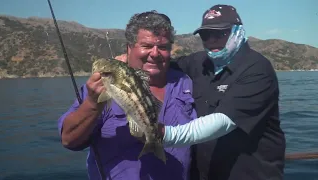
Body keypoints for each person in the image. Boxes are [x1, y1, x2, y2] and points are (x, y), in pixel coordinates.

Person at [116, 4, 286, 180]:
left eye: (220, 33)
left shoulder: (256, 69)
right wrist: (127, 62)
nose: (212, 40)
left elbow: (223, 122)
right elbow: (159, 63)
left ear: (238, 31)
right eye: (206, 34)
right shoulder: (198, 62)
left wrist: (162, 134)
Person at [57, 10, 197, 180]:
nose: (155, 53)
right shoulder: (100, 86)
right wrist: (93, 104)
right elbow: (69, 139)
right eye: (146, 46)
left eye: (163, 47)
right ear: (129, 47)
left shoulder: (185, 82)